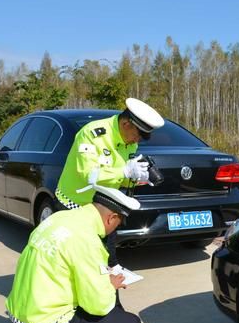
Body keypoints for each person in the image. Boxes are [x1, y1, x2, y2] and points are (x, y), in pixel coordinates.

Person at [5, 185, 143, 323]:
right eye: (118, 223)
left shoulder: (59, 218)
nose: (116, 229)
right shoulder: (86, 240)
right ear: (111, 218)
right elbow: (97, 305)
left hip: (18, 315)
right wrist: (110, 285)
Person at [55, 97, 164, 266]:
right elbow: (88, 175)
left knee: (108, 261)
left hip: (105, 209)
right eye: (137, 136)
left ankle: (107, 288)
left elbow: (120, 180)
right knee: (76, 261)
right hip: (75, 204)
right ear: (126, 124)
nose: (137, 141)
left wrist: (137, 179)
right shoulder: (92, 134)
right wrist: (125, 171)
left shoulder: (130, 143)